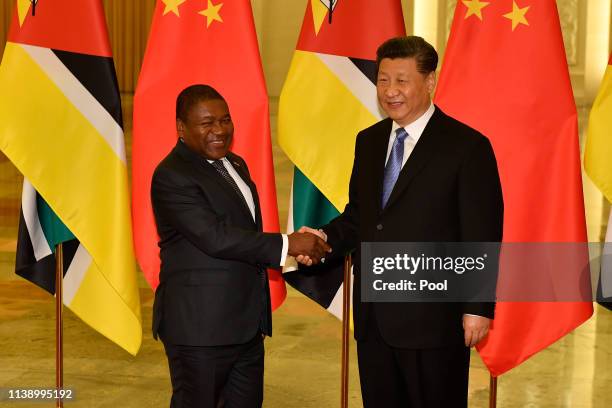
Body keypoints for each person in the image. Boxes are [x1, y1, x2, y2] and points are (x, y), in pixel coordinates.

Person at [299, 36, 504, 407]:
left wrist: (477, 307)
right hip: (374, 317)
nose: (390, 91)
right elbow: (361, 217)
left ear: (429, 82)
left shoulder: (467, 147)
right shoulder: (369, 141)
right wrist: (323, 237)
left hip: (433, 320)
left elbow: (482, 235)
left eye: (402, 80)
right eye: (383, 80)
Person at [150, 84, 330, 408]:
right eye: (207, 123)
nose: (219, 130)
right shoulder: (171, 175)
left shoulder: (236, 164)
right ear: (181, 127)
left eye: (225, 120)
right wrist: (289, 244)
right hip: (200, 331)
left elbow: (246, 235)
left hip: (245, 326)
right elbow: (215, 237)